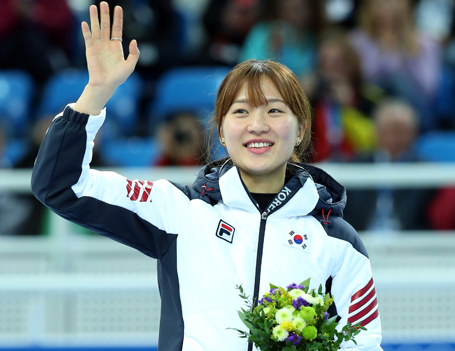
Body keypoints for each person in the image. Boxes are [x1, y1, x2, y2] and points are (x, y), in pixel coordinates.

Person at [31, 3, 382, 350]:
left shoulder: (339, 243)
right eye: (241, 112)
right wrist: (97, 92)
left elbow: (364, 346)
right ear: (222, 132)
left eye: (274, 111)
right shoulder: (178, 211)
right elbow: (60, 185)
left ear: (302, 129)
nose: (257, 126)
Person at [343, 100, 435, 232]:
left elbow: (424, 218)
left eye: (399, 129)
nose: (393, 135)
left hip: (408, 244)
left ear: (413, 133)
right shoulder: (356, 166)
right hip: (363, 239)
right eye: (387, 128)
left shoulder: (425, 170)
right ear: (376, 131)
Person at [349, 0, 441, 130]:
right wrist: (385, 50)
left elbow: (428, 88)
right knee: (385, 82)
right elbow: (363, 81)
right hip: (372, 105)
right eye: (381, 3)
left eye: (394, 2)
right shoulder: (357, 42)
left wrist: (405, 52)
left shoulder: (425, 43)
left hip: (412, 108)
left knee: (397, 80)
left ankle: (422, 131)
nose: (388, 8)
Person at [309, 29, 381, 162]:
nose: (330, 71)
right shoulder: (312, 99)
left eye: (337, 63)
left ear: (351, 66)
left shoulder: (369, 97)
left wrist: (350, 107)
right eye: (325, 64)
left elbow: (372, 142)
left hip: (357, 170)